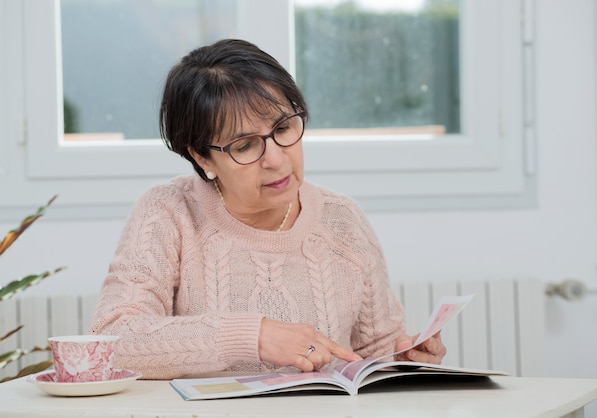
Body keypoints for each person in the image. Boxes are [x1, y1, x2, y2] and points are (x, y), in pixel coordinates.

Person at [90, 38, 446, 379]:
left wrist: (405, 361)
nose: (276, 159)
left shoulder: (343, 219)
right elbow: (113, 340)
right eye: (245, 146)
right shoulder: (169, 212)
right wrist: (253, 337)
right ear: (200, 155)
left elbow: (375, 353)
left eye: (284, 127)